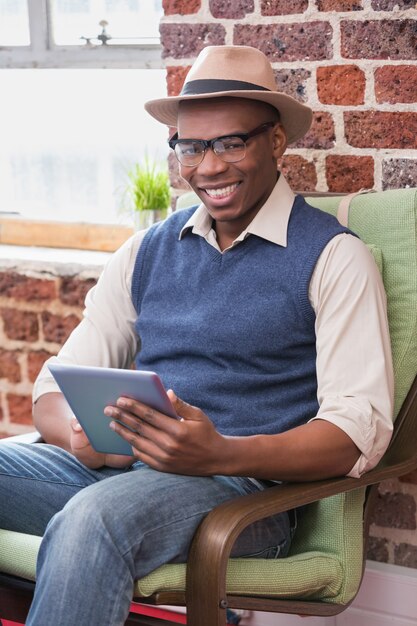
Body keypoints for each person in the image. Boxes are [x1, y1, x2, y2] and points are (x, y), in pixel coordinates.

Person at [0, 45, 394, 626]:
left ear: (277, 141)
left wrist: (222, 453)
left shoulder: (334, 258)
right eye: (190, 146)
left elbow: (356, 434)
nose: (208, 167)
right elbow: (53, 389)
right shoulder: (145, 252)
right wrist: (81, 436)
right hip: (118, 474)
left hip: (241, 494)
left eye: (230, 142)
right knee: (98, 509)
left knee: (95, 521)